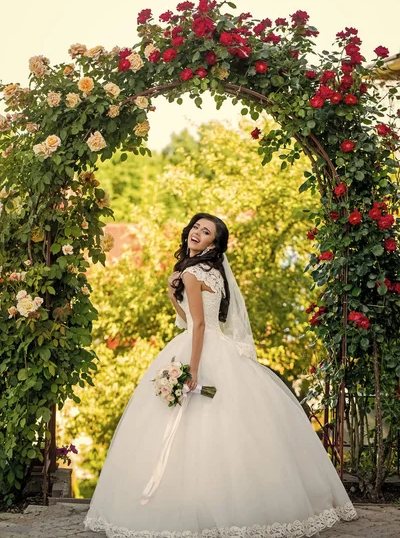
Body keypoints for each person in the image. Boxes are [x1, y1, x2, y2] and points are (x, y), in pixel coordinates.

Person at [84, 212, 358, 538]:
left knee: (194, 430)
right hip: (219, 347)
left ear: (214, 242)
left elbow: (197, 326)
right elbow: (194, 320)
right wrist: (174, 298)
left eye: (206, 231)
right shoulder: (210, 272)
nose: (197, 233)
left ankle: (189, 506)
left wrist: (193, 371)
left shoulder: (191, 273)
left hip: (198, 349)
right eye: (196, 228)